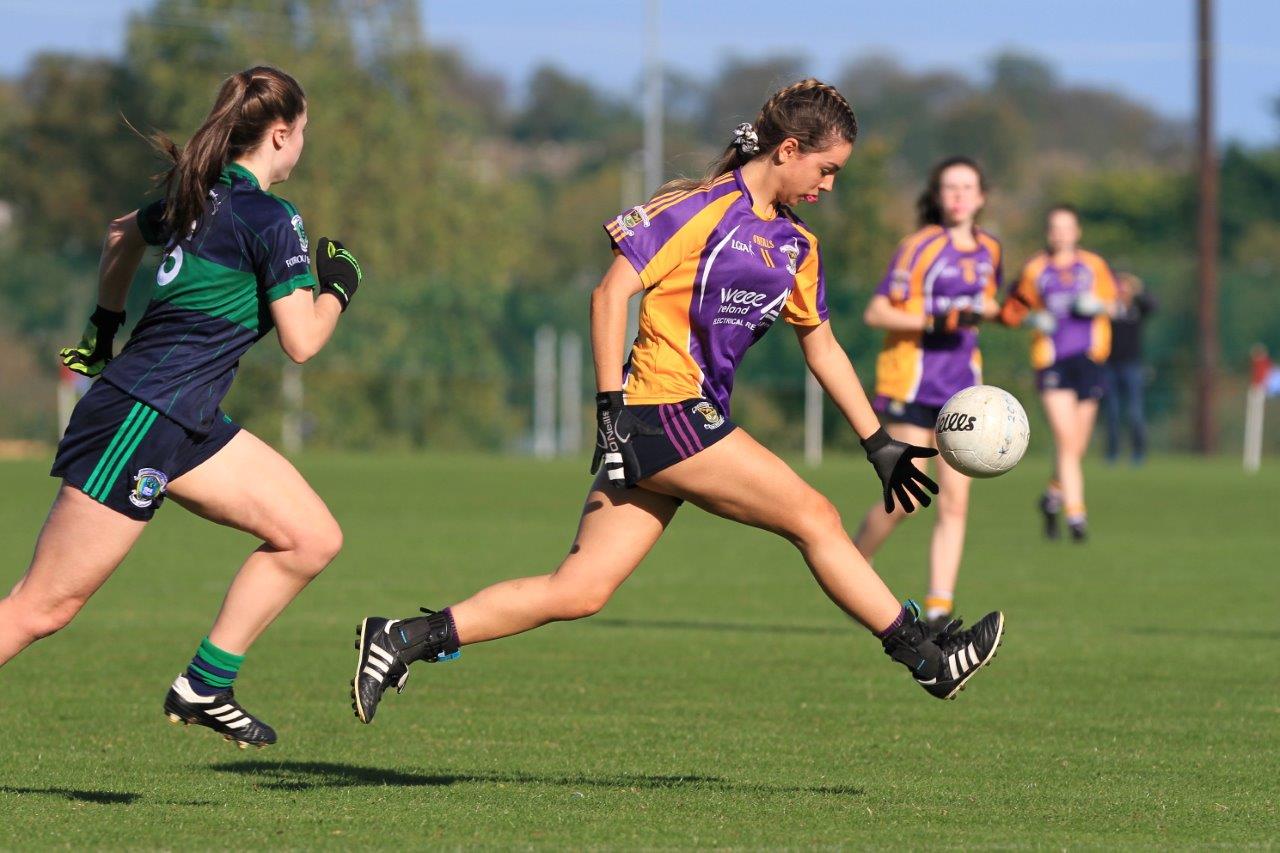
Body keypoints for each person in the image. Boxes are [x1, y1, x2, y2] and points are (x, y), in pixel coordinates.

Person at [350, 80, 1005, 726]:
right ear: (789, 148)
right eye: (826, 168)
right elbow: (610, 296)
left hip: (680, 421)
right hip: (661, 410)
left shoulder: (797, 245)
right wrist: (610, 408)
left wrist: (878, 444)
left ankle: (401, 639)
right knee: (815, 515)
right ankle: (925, 655)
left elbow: (824, 347)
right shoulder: (698, 208)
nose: (829, 186)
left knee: (578, 591)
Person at [0, 66, 364, 749]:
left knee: (310, 536)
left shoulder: (195, 196)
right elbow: (303, 342)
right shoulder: (270, 215)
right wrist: (339, 285)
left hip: (184, 417)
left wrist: (103, 326)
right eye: (303, 132)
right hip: (143, 412)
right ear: (280, 135)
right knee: (41, 607)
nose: (302, 145)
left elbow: (118, 238)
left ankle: (205, 683)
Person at [854, 156, 1003, 631]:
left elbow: (988, 305)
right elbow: (877, 312)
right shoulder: (919, 248)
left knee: (957, 501)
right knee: (910, 496)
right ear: (938, 197)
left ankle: (939, 607)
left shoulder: (990, 251)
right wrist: (936, 321)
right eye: (949, 187)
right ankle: (854, 563)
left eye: (967, 187)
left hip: (962, 395)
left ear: (981, 197)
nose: (958, 195)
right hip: (911, 383)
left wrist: (1008, 310)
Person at [1000, 204, 1115, 542]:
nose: (1061, 233)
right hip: (1051, 360)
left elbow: (1114, 302)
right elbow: (1014, 309)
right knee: (1066, 439)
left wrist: (1098, 306)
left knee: (1076, 446)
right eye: (1055, 227)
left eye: (1067, 227)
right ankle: (1076, 515)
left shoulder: (1093, 266)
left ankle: (1052, 497)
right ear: (1048, 233)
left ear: (1077, 232)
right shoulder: (1036, 268)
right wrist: (1034, 318)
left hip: (1089, 358)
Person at [1103, 273, 1155, 464]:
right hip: (1110, 365)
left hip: (1132, 365)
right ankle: (1112, 454)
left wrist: (1139, 292)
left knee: (1135, 412)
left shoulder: (1138, 309)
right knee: (1113, 413)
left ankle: (1138, 453)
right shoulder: (1109, 308)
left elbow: (1153, 305)